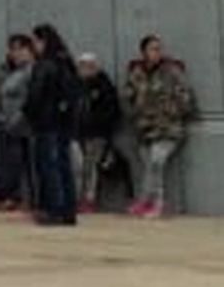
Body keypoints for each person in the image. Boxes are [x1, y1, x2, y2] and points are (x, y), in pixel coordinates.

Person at [123, 35, 196, 218]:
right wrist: (134, 113)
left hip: (168, 128)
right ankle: (146, 200)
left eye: (158, 48)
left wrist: (174, 111)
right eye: (152, 49)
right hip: (145, 129)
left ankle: (159, 203)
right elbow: (127, 96)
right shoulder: (137, 72)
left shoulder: (171, 71)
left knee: (157, 161)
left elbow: (187, 95)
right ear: (144, 52)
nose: (157, 52)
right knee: (148, 165)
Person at [24, 23, 83, 226]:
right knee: (64, 166)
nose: (33, 47)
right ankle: (68, 210)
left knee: (49, 167)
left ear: (43, 41)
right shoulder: (67, 63)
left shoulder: (45, 64)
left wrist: (27, 115)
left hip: (46, 122)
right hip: (65, 123)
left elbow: (35, 95)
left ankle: (53, 209)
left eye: (35, 42)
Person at [0, 34, 35, 211]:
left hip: (26, 124)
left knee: (26, 163)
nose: (16, 53)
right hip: (5, 123)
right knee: (8, 163)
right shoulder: (2, 70)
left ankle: (20, 197)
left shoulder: (32, 70)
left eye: (20, 49)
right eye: (13, 49)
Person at [75, 52, 121, 213]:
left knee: (91, 166)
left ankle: (89, 199)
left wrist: (100, 126)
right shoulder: (76, 85)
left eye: (88, 66)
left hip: (97, 133)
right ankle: (78, 197)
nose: (85, 69)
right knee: (79, 166)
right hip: (78, 132)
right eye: (82, 66)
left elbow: (112, 111)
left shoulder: (104, 86)